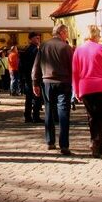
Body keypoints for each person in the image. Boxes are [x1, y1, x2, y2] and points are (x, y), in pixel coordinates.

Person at [72, 25, 102, 158]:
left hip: (85, 87)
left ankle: (95, 142)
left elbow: (75, 72)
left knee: (92, 116)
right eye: (99, 35)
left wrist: (75, 90)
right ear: (95, 35)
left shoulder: (78, 50)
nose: (100, 38)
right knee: (101, 116)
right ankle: (96, 142)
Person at [32, 23, 74, 155]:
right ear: (62, 33)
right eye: (66, 33)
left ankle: (50, 141)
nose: (67, 35)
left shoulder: (44, 45)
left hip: (47, 81)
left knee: (49, 110)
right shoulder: (66, 47)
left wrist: (35, 82)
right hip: (64, 82)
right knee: (63, 113)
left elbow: (36, 65)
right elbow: (73, 67)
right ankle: (64, 145)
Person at [20, 32, 42, 123]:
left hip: (27, 76)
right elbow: (37, 64)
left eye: (39, 38)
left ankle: (27, 116)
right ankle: (35, 116)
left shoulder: (25, 50)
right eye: (36, 38)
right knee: (37, 96)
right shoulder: (35, 50)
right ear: (31, 39)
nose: (38, 39)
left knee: (29, 98)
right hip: (34, 76)